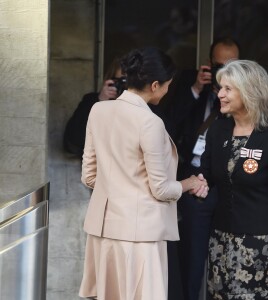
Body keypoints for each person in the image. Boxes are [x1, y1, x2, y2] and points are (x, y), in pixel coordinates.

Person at [78, 47, 209, 300]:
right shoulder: (149, 122)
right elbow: (161, 189)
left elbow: (89, 177)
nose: (168, 91)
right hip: (140, 236)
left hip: (103, 231)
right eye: (168, 85)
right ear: (155, 85)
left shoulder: (98, 110)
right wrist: (189, 182)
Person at [199, 59, 268, 300]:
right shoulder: (217, 130)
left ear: (249, 91)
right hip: (221, 242)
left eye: (227, 89)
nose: (220, 94)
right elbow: (206, 176)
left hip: (261, 246)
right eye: (220, 88)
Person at [160, 37, 240, 300]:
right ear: (208, 64)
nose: (224, 72)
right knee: (192, 258)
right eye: (219, 66)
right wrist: (196, 89)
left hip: (231, 189)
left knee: (231, 260)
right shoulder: (189, 84)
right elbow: (169, 125)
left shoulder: (244, 91)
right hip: (196, 182)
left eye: (232, 65)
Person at [63, 57, 126, 157]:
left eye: (130, 82)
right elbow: (73, 142)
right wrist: (100, 102)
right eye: (122, 81)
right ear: (111, 81)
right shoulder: (92, 101)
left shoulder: (146, 106)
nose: (126, 87)